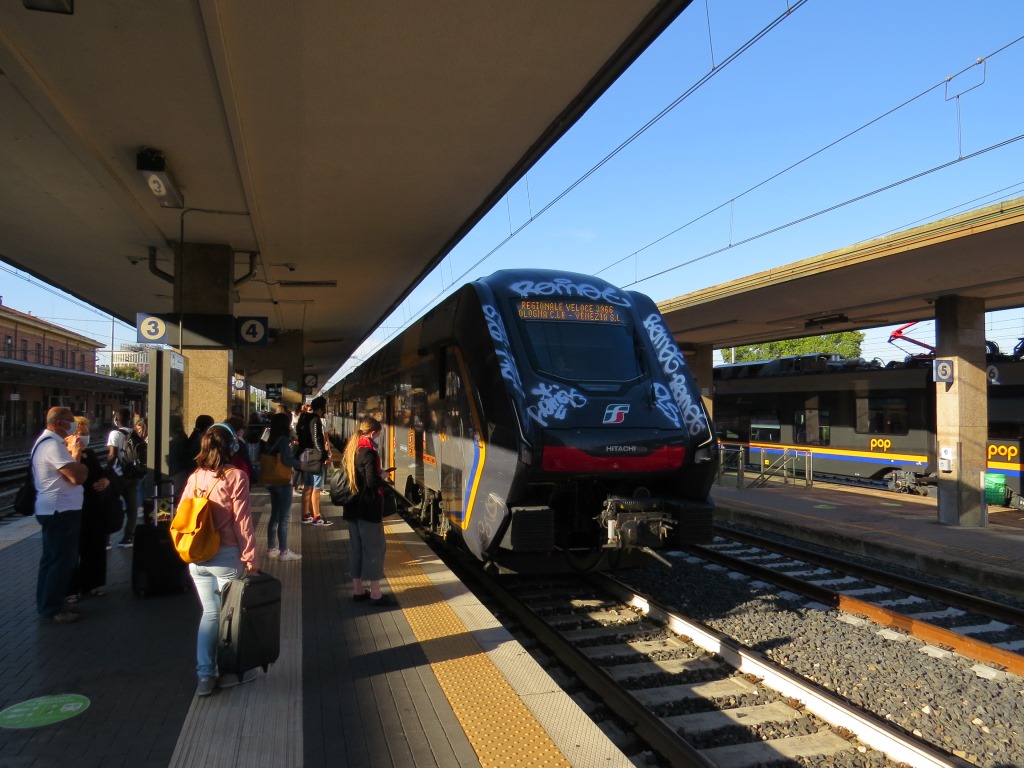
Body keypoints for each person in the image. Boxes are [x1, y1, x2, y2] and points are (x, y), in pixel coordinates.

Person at [180, 423, 258, 697]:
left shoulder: (195, 477)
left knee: (210, 614)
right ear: (231, 447)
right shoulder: (236, 477)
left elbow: (183, 515)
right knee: (231, 617)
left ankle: (205, 676)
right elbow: (242, 521)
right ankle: (229, 672)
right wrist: (250, 556)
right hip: (226, 556)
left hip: (198, 558)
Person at [32, 406, 88, 623]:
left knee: (51, 559)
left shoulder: (48, 442)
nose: (73, 425)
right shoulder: (52, 445)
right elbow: (77, 476)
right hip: (60, 510)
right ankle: (53, 608)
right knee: (61, 561)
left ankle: (49, 603)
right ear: (57, 423)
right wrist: (78, 460)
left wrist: (77, 466)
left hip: (56, 509)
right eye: (69, 420)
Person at [341, 416, 393, 606]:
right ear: (372, 433)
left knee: (356, 549)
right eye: (377, 434)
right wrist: (383, 475)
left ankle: (358, 590)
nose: (378, 437)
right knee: (374, 550)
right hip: (367, 508)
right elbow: (371, 482)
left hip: (352, 506)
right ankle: (376, 594)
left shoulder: (351, 449)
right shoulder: (369, 453)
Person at [66, 417, 114, 602]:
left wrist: (106, 481)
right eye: (81, 434)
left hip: (94, 506)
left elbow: (102, 473)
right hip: (74, 506)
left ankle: (92, 584)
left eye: (87, 433)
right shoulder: (64, 455)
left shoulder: (91, 453)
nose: (85, 437)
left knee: (94, 546)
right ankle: (70, 590)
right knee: (73, 550)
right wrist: (75, 454)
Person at [262, 412, 302, 561]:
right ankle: (284, 551)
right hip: (283, 481)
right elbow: (286, 460)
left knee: (274, 516)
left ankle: (271, 548)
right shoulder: (284, 439)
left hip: (271, 480)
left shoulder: (269, 437)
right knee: (284, 518)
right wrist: (301, 464)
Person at [107, 407, 139, 547]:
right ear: (129, 419)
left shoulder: (115, 433)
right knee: (132, 507)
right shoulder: (134, 432)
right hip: (133, 474)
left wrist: (106, 471)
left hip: (118, 475)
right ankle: (128, 537)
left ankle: (106, 539)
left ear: (116, 419)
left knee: (109, 504)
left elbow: (112, 455)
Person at [299, 396, 332, 525]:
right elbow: (317, 440)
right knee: (316, 487)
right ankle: (317, 517)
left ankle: (306, 514)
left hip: (305, 455)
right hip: (314, 458)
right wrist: (324, 456)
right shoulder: (315, 419)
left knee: (307, 486)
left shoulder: (304, 418)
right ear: (321, 407)